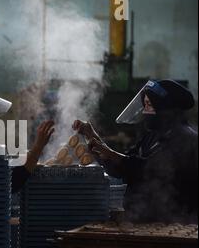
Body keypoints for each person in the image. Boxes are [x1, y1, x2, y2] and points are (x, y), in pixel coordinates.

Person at [73, 79, 198, 224]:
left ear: (165, 108)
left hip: (175, 223)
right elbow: (123, 167)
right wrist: (93, 139)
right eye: (144, 105)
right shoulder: (152, 136)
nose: (145, 111)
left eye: (149, 105)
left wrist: (106, 150)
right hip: (143, 220)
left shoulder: (186, 139)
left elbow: (147, 169)